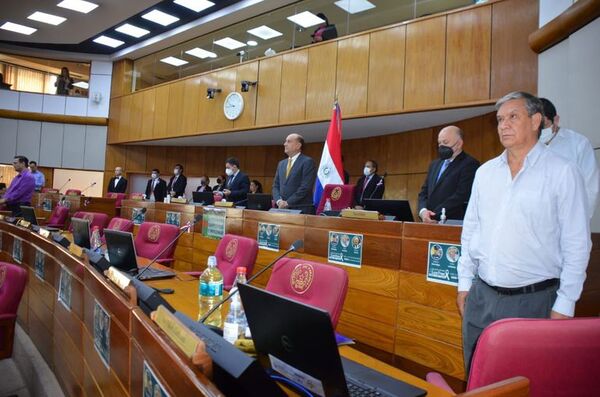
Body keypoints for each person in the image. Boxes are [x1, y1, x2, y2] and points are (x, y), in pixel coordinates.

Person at [457, 91, 591, 373]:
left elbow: (577, 244)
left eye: (513, 117)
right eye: (499, 119)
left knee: (523, 383)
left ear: (536, 121)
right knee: (478, 377)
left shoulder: (563, 172)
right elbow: (471, 231)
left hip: (534, 302)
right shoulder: (485, 173)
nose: (503, 125)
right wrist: (464, 284)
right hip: (481, 298)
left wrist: (565, 304)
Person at [539, 98, 599, 218]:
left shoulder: (578, 143)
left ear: (556, 120)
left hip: (569, 217)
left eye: (543, 124)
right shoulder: (526, 144)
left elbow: (590, 187)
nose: (538, 130)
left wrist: (580, 221)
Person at [418, 126, 479, 222]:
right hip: (428, 221)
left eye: (445, 142)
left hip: (451, 222)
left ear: (459, 144)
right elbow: (424, 192)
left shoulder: (470, 164)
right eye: (439, 143)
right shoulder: (434, 164)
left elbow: (461, 195)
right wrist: (423, 211)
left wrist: (433, 214)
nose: (441, 146)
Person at [272, 133, 317, 214]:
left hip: (301, 209)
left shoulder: (307, 162)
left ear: (298, 145)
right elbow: (275, 186)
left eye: (288, 141)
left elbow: (305, 187)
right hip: (281, 209)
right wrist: (279, 201)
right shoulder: (281, 163)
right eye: (285, 141)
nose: (284, 144)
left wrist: (288, 202)